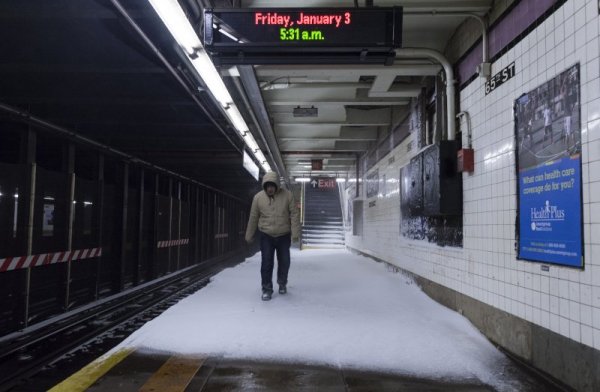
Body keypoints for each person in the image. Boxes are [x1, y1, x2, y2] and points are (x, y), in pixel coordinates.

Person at [245, 171, 300, 301]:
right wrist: (249, 235)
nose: (270, 188)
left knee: (284, 261)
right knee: (267, 262)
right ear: (264, 186)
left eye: (272, 186)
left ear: (277, 185)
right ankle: (266, 289)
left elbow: (294, 214)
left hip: (283, 235)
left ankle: (282, 283)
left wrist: (295, 233)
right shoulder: (258, 198)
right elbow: (253, 217)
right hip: (266, 235)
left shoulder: (288, 195)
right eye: (267, 186)